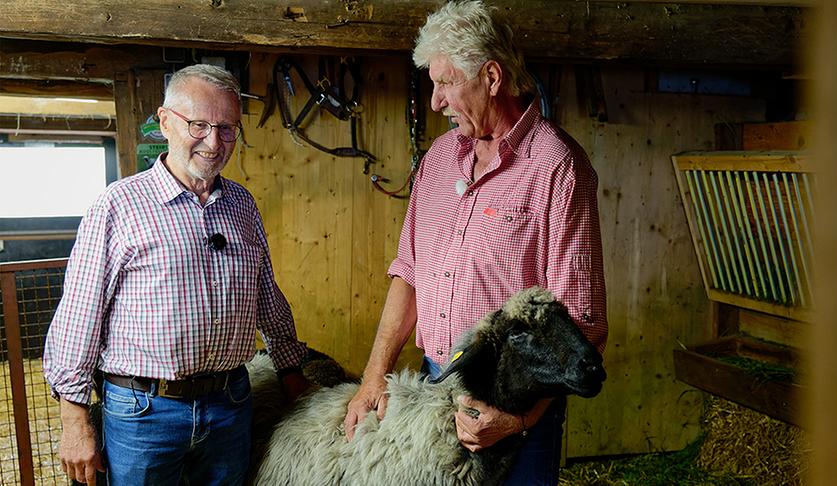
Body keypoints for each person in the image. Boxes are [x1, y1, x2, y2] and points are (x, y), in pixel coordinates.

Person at [343, 1, 608, 484]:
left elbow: (584, 322)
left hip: (516, 403)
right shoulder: (440, 159)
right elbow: (409, 272)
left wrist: (519, 420)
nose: (435, 101)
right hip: (438, 385)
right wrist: (373, 376)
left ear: (491, 76)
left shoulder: (558, 167)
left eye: (445, 82)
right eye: (432, 84)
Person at [43, 64, 310, 486]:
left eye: (227, 129)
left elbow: (266, 295)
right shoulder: (118, 205)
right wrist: (75, 422)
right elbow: (79, 316)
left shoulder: (241, 204)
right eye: (199, 125)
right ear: (165, 122)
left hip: (231, 403)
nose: (214, 141)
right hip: (143, 412)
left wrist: (292, 373)